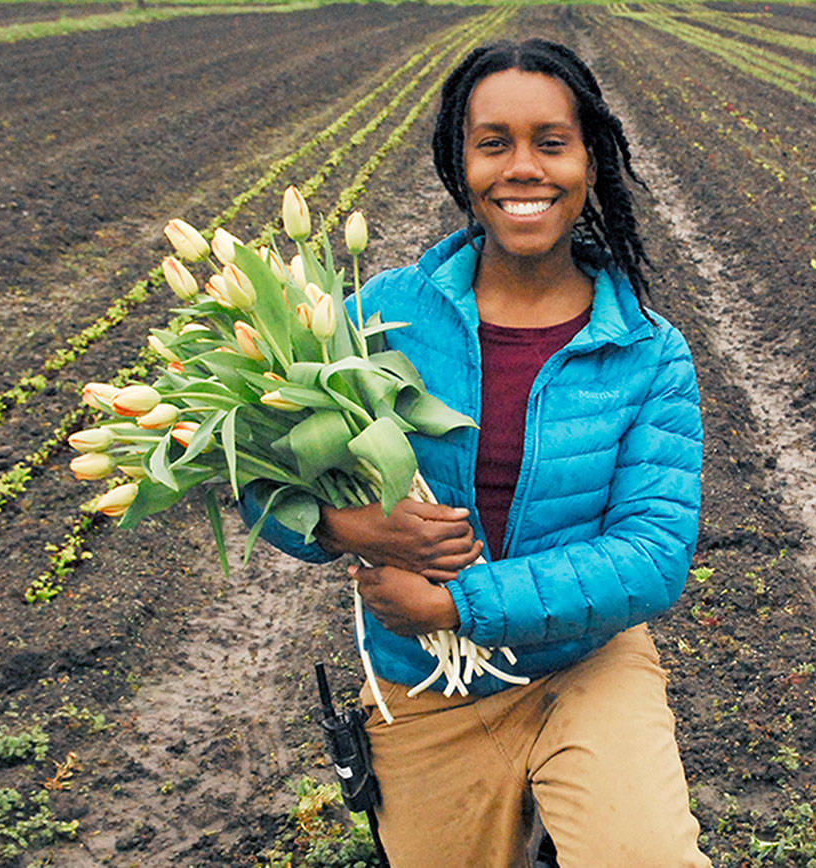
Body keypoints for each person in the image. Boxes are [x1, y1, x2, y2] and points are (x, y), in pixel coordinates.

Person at [243, 38, 708, 867]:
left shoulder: (647, 350)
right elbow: (260, 480)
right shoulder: (383, 315)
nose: (523, 168)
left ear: (590, 163)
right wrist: (358, 532)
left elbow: (651, 559)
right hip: (425, 681)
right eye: (494, 144)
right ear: (462, 167)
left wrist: (460, 605)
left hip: (584, 664)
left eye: (551, 143)